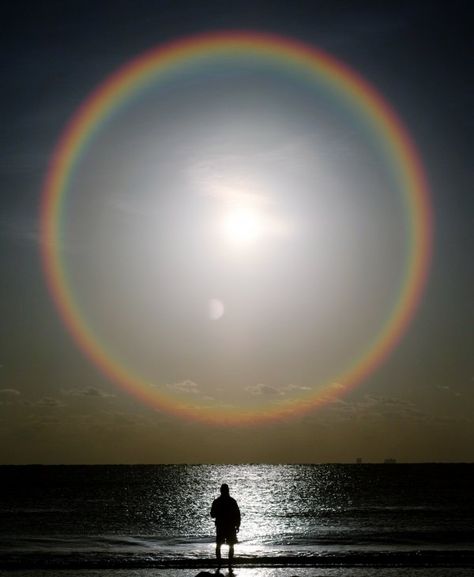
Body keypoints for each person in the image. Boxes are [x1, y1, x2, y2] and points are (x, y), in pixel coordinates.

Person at [210, 483, 241, 572]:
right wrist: (238, 524)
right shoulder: (232, 501)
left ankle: (219, 564)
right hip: (230, 526)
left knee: (219, 545)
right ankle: (229, 564)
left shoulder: (217, 501)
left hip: (221, 526)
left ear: (221, 491)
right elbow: (237, 514)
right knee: (231, 545)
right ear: (228, 490)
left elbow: (212, 515)